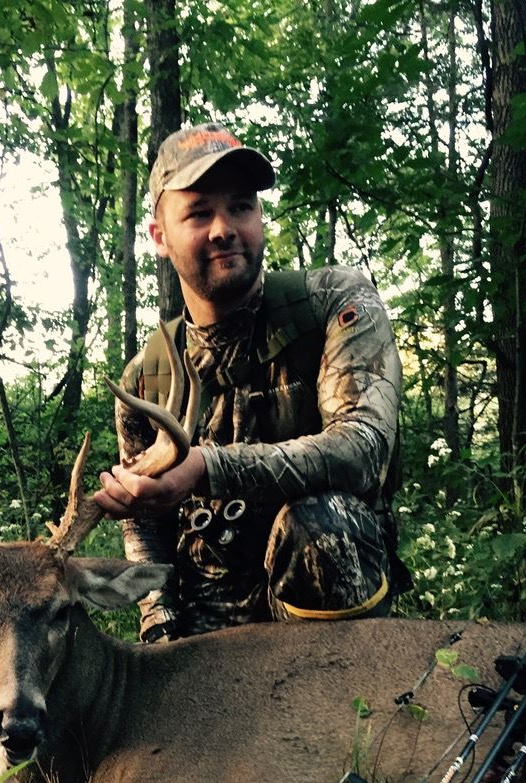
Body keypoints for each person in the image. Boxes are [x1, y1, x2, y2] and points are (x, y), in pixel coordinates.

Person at [93, 122, 408, 642]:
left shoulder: (334, 302)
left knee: (319, 524)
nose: (223, 228)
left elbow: (363, 449)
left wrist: (205, 468)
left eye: (240, 206)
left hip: (324, 600)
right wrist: (158, 619)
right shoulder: (146, 377)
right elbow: (145, 524)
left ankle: (344, 688)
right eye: (199, 213)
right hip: (209, 616)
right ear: (159, 237)